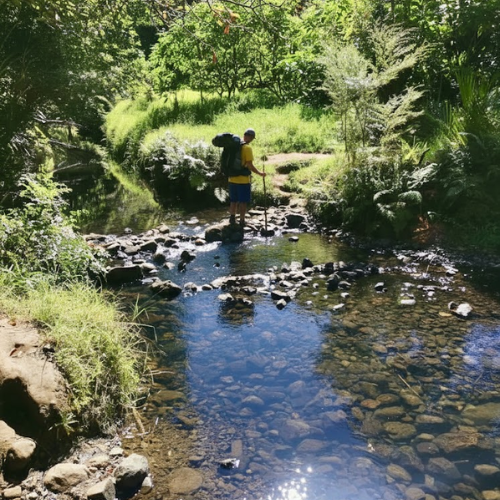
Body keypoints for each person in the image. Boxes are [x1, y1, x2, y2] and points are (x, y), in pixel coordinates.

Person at [228, 128, 266, 226]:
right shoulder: (247, 148)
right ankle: (242, 220)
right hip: (243, 180)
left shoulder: (233, 146)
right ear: (249, 137)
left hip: (231, 178)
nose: (252, 140)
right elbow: (249, 165)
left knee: (233, 200)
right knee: (243, 201)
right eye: (252, 138)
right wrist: (260, 173)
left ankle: (232, 219)